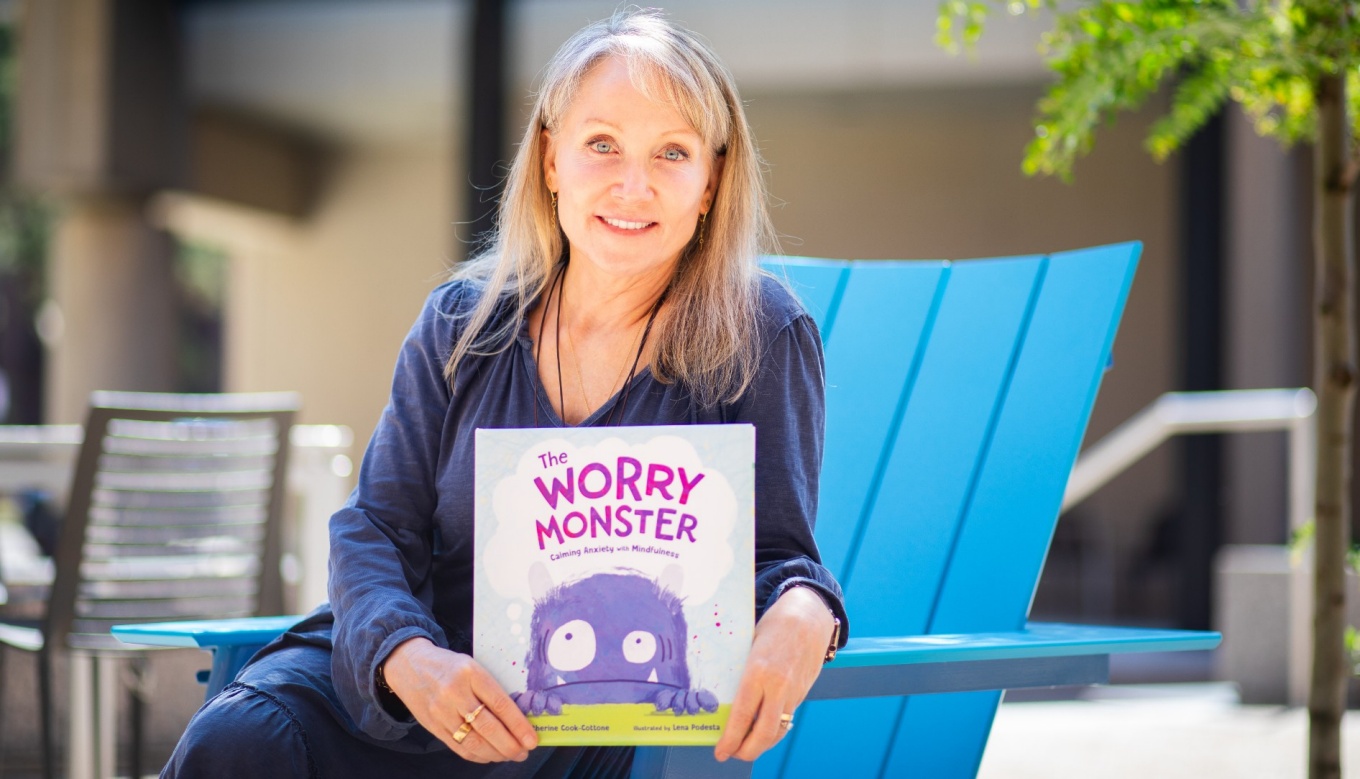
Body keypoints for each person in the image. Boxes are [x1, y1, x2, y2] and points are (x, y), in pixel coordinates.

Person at [164, 8, 848, 777]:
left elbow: (781, 556)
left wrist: (806, 609)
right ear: (551, 158)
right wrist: (406, 656)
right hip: (395, 678)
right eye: (601, 145)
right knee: (238, 742)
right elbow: (373, 528)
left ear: (712, 178)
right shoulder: (464, 321)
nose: (633, 184)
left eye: (672, 153)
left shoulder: (760, 334)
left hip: (558, 716)